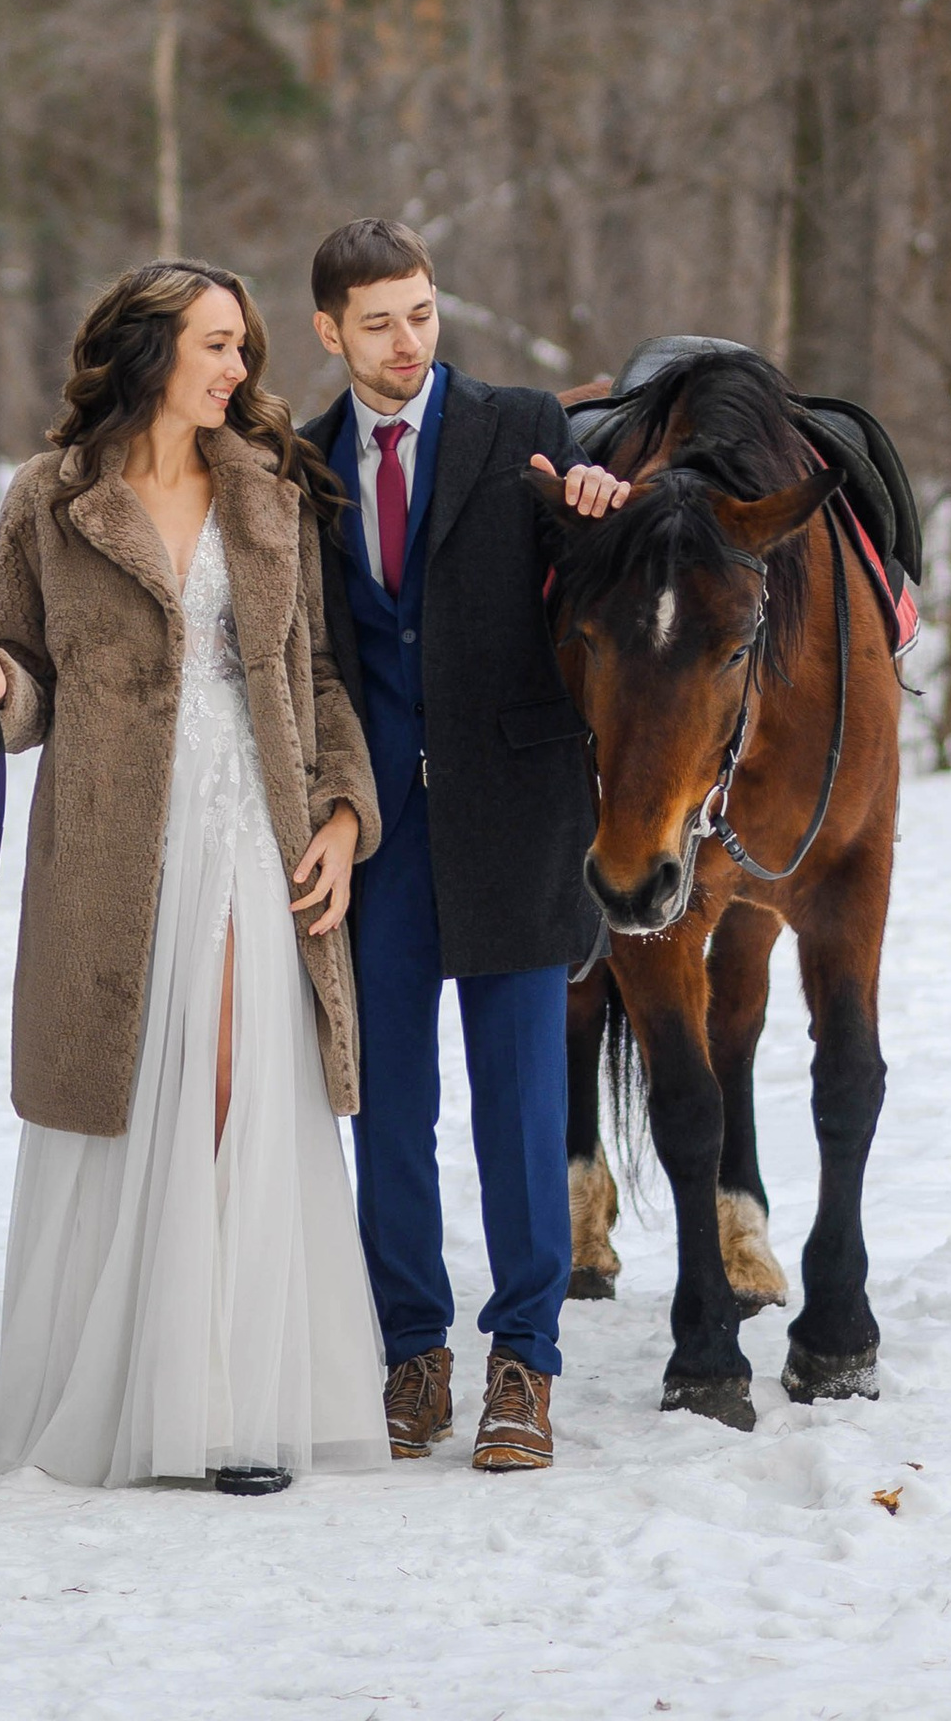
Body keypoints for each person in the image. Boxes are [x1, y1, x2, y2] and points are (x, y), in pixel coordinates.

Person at [0, 259, 388, 1493]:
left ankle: (236, 1406)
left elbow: (320, 680)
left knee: (243, 1087)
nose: (240, 369)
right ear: (149, 353)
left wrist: (345, 814)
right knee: (129, 1095)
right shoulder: (49, 498)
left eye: (242, 346)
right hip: (110, 837)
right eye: (216, 345)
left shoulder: (273, 493)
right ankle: (131, 1392)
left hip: (257, 819)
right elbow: (14, 661)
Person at [304, 217, 624, 1476]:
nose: (406, 341)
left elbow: (585, 572)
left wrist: (593, 508)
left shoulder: (517, 421)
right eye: (377, 320)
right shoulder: (305, 460)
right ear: (330, 329)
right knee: (387, 1109)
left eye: (422, 311)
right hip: (373, 833)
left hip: (515, 817)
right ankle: (412, 1347)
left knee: (520, 1104)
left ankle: (524, 1361)